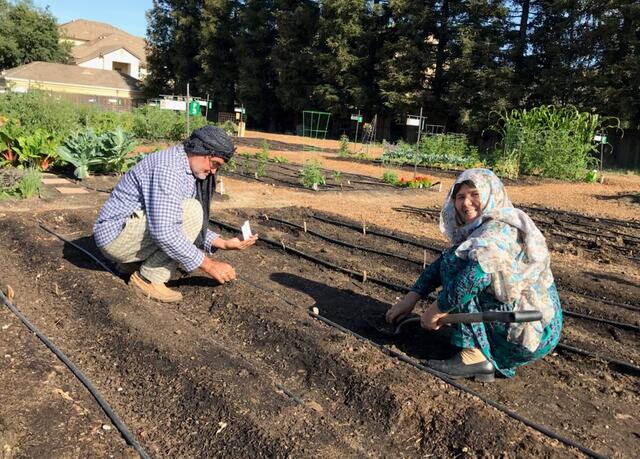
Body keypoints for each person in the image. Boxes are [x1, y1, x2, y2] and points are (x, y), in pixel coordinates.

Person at [386, 168, 562, 382]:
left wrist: (435, 310)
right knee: (453, 258)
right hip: (538, 325)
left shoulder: (496, 232)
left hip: (526, 332)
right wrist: (410, 299)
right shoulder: (492, 225)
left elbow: (475, 276)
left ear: (490, 194)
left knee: (459, 267)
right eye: (460, 197)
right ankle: (484, 348)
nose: (466, 203)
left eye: (475, 194)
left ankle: (474, 357)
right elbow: (442, 262)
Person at [93, 125, 258, 303]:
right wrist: (209, 265)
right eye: (214, 163)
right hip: (116, 239)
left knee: (189, 211)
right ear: (200, 151)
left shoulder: (182, 165)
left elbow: (178, 219)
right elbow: (166, 231)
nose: (213, 171)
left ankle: (131, 262)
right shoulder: (169, 168)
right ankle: (149, 279)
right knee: (193, 210)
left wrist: (224, 243)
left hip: (124, 233)